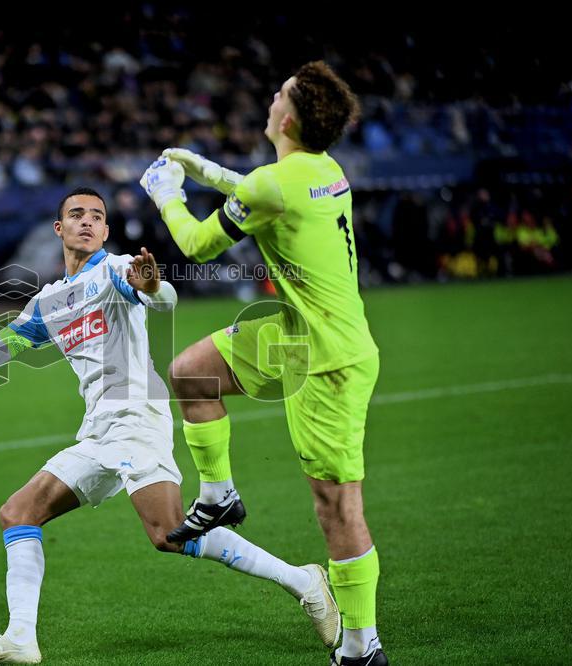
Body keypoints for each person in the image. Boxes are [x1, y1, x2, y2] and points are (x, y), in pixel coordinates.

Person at [0, 186, 339, 664]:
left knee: (167, 533)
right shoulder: (47, 303)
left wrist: (153, 287)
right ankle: (21, 638)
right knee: (18, 513)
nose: (87, 222)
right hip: (98, 430)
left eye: (96, 217)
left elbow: (164, 300)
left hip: (138, 417)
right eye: (75, 215)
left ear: (104, 230)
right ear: (58, 229)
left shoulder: (116, 270)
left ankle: (304, 581)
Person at [140, 61, 386, 665]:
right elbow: (260, 187)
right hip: (296, 332)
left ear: (288, 117)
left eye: (279, 93)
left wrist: (167, 193)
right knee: (192, 372)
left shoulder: (274, 184)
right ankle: (219, 495)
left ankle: (361, 646)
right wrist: (202, 168)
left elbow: (196, 245)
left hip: (326, 358)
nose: (270, 96)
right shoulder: (323, 169)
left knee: (336, 506)